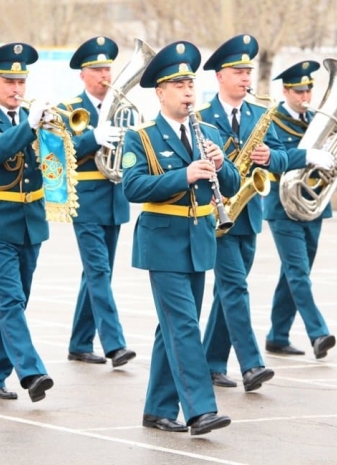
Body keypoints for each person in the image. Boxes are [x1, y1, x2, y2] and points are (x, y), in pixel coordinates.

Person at [122, 41, 240, 435]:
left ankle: (157, 409)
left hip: (200, 239)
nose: (188, 92)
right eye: (179, 85)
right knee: (185, 326)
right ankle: (200, 410)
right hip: (163, 241)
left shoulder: (208, 131)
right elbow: (133, 186)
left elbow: (233, 184)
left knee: (171, 328)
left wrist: (222, 165)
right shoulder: (141, 137)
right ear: (161, 92)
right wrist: (184, 175)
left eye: (191, 84)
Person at [0, 42, 55, 403]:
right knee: (11, 298)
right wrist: (29, 127)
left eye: (21, 81)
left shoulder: (34, 117)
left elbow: (58, 160)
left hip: (31, 222)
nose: (17, 88)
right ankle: (31, 372)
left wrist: (82, 136)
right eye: (9, 81)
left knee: (12, 302)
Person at [196, 34, 286, 391]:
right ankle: (252, 364)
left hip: (248, 213)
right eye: (238, 72)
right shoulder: (202, 117)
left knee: (227, 292)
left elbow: (282, 156)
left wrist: (271, 157)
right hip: (217, 214)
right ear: (220, 76)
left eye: (248, 72)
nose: (246, 78)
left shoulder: (260, 114)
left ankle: (211, 363)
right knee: (235, 288)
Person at [57, 36, 135, 368]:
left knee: (97, 274)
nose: (105, 75)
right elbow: (58, 154)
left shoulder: (122, 109)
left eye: (107, 69)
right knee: (99, 272)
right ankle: (115, 344)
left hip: (115, 199)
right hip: (86, 201)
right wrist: (93, 138)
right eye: (97, 69)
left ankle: (79, 343)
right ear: (83, 75)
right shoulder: (67, 110)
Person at [262, 60, 337, 359]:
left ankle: (277, 336)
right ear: (285, 91)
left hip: (313, 203)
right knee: (298, 272)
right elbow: (274, 157)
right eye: (298, 92)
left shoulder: (318, 120)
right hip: (282, 206)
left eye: (308, 90)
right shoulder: (272, 120)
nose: (305, 97)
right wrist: (307, 155)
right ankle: (318, 333)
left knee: (293, 273)